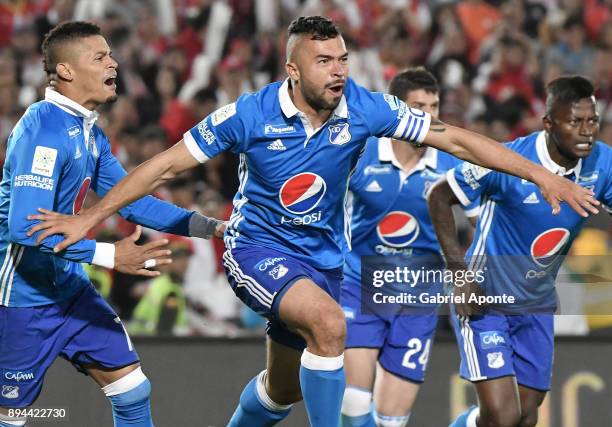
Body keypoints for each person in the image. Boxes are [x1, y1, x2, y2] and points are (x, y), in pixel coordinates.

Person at [28, 17, 599, 426]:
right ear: (293, 70)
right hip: (255, 251)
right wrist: (90, 221)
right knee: (330, 325)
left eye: (344, 59)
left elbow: (454, 137)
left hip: (321, 260)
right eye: (325, 61)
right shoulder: (248, 115)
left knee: (281, 392)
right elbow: (163, 166)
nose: (339, 71)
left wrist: (540, 175)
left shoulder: (365, 108)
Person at [0, 22, 222, 427]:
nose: (114, 64)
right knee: (10, 417)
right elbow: (24, 229)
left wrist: (211, 227)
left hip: (69, 287)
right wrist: (108, 254)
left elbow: (133, 203)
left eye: (111, 55)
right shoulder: (43, 129)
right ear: (66, 70)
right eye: (100, 57)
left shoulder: (88, 132)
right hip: (22, 299)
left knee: (133, 390)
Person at [427, 75, 612, 427]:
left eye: (592, 121)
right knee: (503, 416)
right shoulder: (508, 160)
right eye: (574, 121)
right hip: (485, 298)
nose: (586, 131)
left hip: (537, 303)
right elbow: (439, 195)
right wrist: (460, 276)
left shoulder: (603, 164)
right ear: (548, 124)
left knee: (524, 417)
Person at [340, 67, 479, 427]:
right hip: (360, 287)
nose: (429, 117)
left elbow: (483, 222)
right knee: (354, 402)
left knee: (391, 421)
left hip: (419, 298)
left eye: (434, 107)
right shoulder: (362, 153)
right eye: (418, 106)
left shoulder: (451, 163)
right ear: (397, 110)